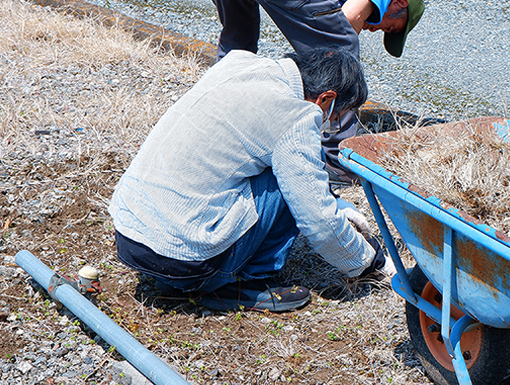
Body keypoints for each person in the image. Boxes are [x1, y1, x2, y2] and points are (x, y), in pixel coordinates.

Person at [108, 48, 385, 312]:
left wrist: (335, 202)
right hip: (184, 261)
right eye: (334, 117)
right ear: (325, 98)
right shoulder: (296, 114)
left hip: (131, 235)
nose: (328, 124)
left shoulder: (238, 64)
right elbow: (316, 217)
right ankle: (244, 283)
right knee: (286, 181)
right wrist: (367, 262)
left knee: (287, 170)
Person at [195, 0, 426, 181]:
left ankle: (209, 123)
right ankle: (338, 162)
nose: (374, 29)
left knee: (238, 46)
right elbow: (349, 20)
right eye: (388, 27)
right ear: (398, 3)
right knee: (341, 46)